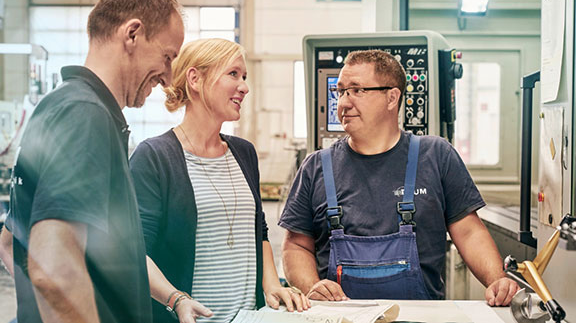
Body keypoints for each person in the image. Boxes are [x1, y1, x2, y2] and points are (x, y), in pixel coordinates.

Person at [279, 49, 519, 306]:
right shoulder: (316, 166)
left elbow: (469, 232)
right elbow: (296, 247)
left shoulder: (436, 156)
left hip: (422, 317)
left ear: (392, 97)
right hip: (339, 317)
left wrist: (496, 280)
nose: (344, 103)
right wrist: (312, 286)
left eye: (357, 90)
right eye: (341, 91)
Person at [0, 0, 184, 322]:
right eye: (167, 57)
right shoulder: (86, 116)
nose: (168, 78)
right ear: (132, 34)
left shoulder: (58, 104)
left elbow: (10, 242)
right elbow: (54, 270)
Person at [129, 38, 310, 323]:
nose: (244, 87)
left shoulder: (243, 152)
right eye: (233, 74)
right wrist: (176, 300)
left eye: (245, 77)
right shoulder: (154, 157)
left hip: (249, 317)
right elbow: (135, 252)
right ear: (195, 79)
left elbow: (258, 228)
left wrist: (272, 283)